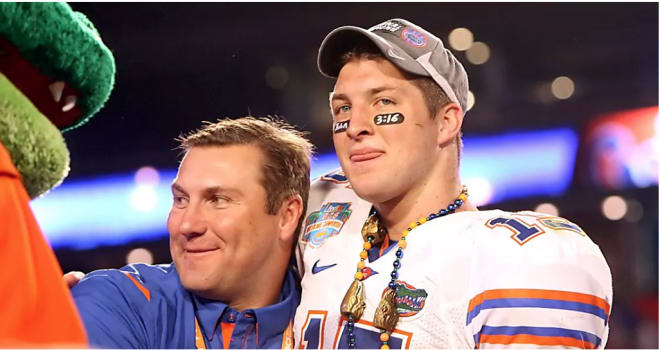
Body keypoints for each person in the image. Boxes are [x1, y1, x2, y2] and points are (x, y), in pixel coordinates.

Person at [294, 19, 612, 349]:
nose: (354, 126)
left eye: (383, 102)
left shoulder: (516, 258)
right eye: (343, 108)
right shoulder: (318, 216)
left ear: (446, 122)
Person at [71, 117, 313, 348]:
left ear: (287, 215)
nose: (187, 225)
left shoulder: (334, 321)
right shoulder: (117, 301)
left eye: (217, 200)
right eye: (181, 199)